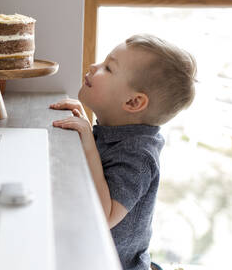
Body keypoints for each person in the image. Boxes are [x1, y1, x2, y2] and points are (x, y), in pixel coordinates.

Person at [50, 34, 197, 270]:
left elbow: (104, 216)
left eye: (108, 68)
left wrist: (87, 139)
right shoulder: (115, 129)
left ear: (133, 103)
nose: (93, 66)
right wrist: (85, 124)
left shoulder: (139, 155)